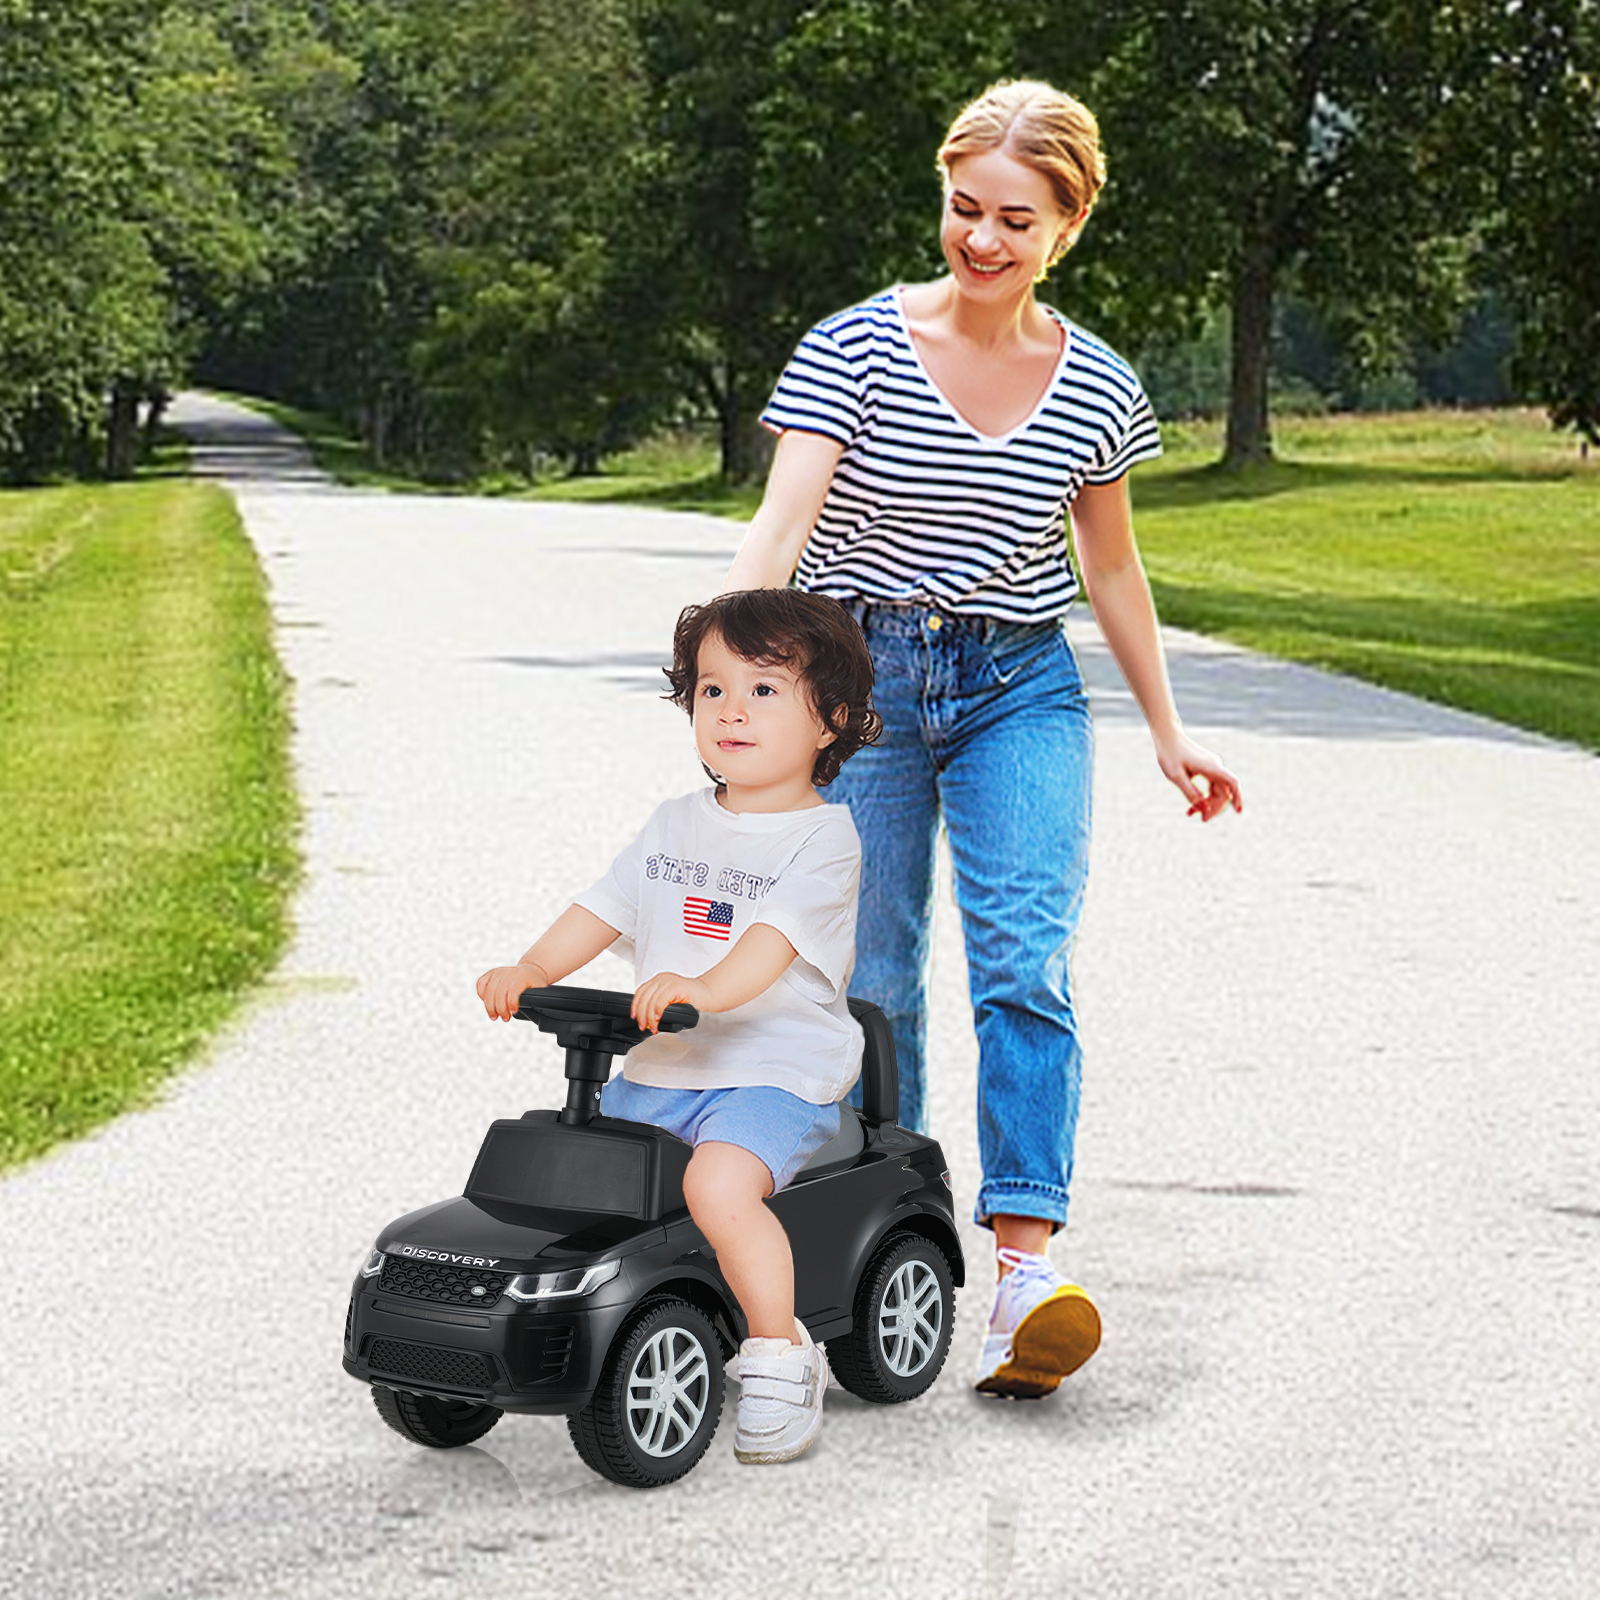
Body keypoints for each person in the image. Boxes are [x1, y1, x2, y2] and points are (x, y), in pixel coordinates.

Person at [722, 79, 1243, 1401]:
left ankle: (1022, 1277)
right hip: (864, 680)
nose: (984, 240)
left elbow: (1112, 572)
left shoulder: (1100, 387)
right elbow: (784, 525)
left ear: (1068, 223)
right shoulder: (853, 347)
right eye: (965, 210)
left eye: (1017, 218)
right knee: (873, 978)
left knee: (1025, 961)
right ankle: (874, 1244)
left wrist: (1167, 733)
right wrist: (727, 670)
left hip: (1020, 683)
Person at [476, 588, 881, 1463]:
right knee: (574, 1176)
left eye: (766, 691)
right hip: (664, 1069)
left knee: (718, 1188)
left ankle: (778, 1353)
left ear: (831, 721)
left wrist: (702, 985)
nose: (732, 709)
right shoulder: (674, 825)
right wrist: (536, 969)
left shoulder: (823, 842)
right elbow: (603, 906)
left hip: (774, 1076)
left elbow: (768, 949)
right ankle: (530, 1327)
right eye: (712, 689)